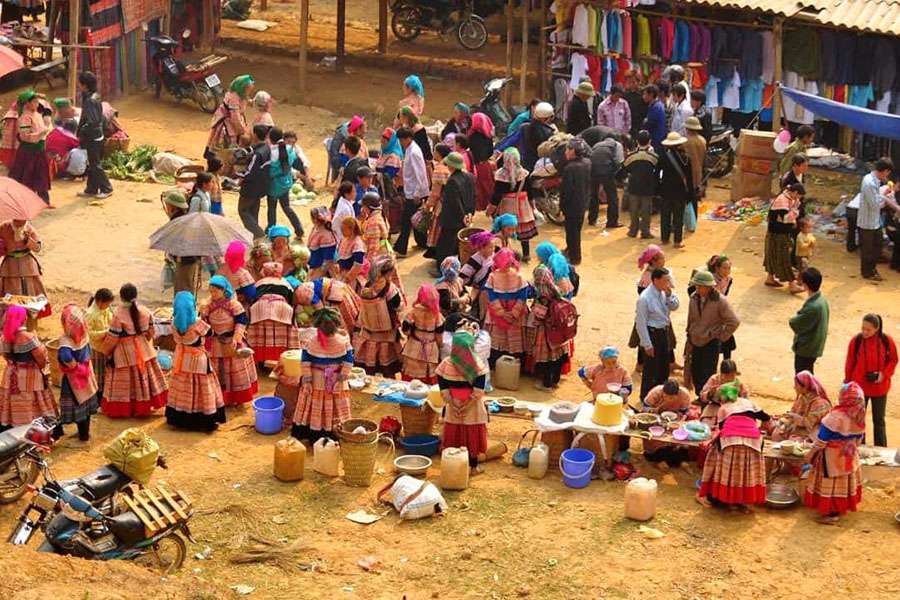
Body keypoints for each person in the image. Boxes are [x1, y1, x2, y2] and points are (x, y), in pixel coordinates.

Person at [697, 384, 769, 511]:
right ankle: (739, 500)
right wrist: (759, 428)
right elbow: (766, 418)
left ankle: (711, 497)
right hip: (754, 442)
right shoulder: (748, 402)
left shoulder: (723, 408)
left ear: (722, 399)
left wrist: (709, 443)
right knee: (743, 471)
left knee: (719, 465)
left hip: (731, 441)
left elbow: (721, 430)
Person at [100, 284, 168, 418]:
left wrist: (106, 351)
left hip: (124, 353)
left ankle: (126, 409)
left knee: (125, 383)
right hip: (144, 350)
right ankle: (144, 406)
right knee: (144, 380)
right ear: (136, 296)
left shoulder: (118, 314)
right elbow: (151, 332)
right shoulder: (145, 311)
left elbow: (113, 338)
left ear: (121, 297)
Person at [803, 382, 866, 524]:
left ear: (844, 398)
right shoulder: (859, 415)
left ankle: (831, 514)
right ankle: (839, 509)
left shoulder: (835, 417)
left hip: (831, 457)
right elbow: (858, 439)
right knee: (843, 485)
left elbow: (822, 440)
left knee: (831, 486)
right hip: (849, 455)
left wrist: (810, 455)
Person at [290, 307, 354, 443]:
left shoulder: (310, 342)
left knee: (314, 407)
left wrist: (307, 381)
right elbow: (348, 362)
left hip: (316, 380)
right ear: (336, 325)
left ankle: (313, 434)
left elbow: (305, 362)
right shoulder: (343, 342)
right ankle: (332, 434)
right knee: (333, 408)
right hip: (335, 380)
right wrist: (341, 378)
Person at [165, 292, 225, 432]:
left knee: (182, 388)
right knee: (202, 388)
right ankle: (204, 419)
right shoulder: (196, 322)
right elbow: (210, 333)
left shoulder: (174, 322)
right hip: (198, 359)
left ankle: (180, 419)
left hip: (182, 358)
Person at [437, 330, 490, 474]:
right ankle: (473, 467)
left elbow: (443, 388)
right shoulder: (478, 365)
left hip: (453, 402)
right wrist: (466, 406)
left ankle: (452, 466)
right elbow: (478, 391)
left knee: (454, 432)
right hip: (472, 406)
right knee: (471, 433)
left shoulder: (446, 364)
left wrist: (453, 404)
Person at [201, 276, 258, 406]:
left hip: (231, 340)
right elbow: (204, 322)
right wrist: (203, 315)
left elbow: (242, 321)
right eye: (211, 291)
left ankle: (234, 397)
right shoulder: (208, 304)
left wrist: (237, 336)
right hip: (215, 341)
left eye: (215, 291)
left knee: (233, 366)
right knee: (217, 368)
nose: (213, 294)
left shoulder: (234, 304)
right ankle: (218, 396)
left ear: (224, 290)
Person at [843, 313, 897, 447]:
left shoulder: (886, 341)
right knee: (858, 420)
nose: (864, 332)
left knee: (879, 420)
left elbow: (893, 359)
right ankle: (859, 448)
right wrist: (848, 384)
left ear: (876, 329)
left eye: (868, 329)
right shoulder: (856, 341)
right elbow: (850, 363)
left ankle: (881, 450)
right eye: (863, 328)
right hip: (859, 388)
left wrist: (883, 375)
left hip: (880, 388)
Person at [0, 305, 56, 431]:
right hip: (29, 376)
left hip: (10, 375)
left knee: (10, 401)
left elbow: (5, 356)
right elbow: (41, 358)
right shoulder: (29, 337)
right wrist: (42, 370)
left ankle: (11, 428)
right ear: (23, 318)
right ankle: (35, 433)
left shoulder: (4, 337)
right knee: (34, 402)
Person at [685, 268, 740, 394]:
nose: (697, 289)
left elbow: (734, 321)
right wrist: (690, 333)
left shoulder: (720, 301)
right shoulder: (694, 297)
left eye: (700, 286)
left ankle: (706, 398)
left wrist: (721, 336)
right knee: (695, 371)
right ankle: (699, 396)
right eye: (696, 286)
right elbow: (691, 318)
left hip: (710, 343)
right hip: (695, 340)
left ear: (709, 287)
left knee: (707, 373)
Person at [354, 257, 405, 376]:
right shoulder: (390, 289)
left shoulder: (366, 286)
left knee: (370, 366)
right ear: (388, 273)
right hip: (386, 334)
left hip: (369, 331)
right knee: (387, 366)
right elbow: (399, 307)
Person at [55, 304, 99, 441]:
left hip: (73, 379)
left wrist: (73, 366)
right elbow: (89, 352)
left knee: (78, 405)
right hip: (87, 375)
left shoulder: (66, 341)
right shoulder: (84, 336)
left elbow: (66, 357)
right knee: (86, 403)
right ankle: (84, 433)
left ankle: (82, 437)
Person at [636, 268, 679, 400]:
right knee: (651, 370)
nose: (668, 283)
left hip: (663, 332)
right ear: (656, 280)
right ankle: (646, 398)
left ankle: (661, 395)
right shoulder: (645, 298)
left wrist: (669, 295)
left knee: (663, 367)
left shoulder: (664, 293)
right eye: (666, 280)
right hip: (652, 333)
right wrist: (647, 344)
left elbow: (675, 307)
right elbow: (641, 323)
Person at [483, 248, 529, 369]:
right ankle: (516, 367)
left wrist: (502, 313)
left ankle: (497, 366)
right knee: (514, 338)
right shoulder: (517, 276)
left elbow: (492, 296)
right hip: (514, 313)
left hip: (498, 313)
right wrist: (513, 312)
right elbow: (522, 296)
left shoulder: (493, 276)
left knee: (498, 338)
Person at [528, 256, 568, 390]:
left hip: (546, 333)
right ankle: (555, 381)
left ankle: (546, 384)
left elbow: (539, 315)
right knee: (558, 357)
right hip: (559, 332)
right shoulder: (556, 291)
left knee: (547, 359)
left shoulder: (543, 296)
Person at [247, 262, 301, 364]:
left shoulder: (259, 283)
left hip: (260, 309)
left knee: (261, 334)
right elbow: (291, 301)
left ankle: (261, 359)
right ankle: (284, 358)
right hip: (281, 308)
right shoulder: (285, 283)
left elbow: (252, 298)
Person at [490, 148, 536, 259]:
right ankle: (526, 254)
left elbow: (497, 195)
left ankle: (503, 252)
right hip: (522, 205)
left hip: (507, 206)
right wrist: (533, 206)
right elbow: (530, 192)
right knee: (523, 229)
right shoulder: (524, 173)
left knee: (504, 229)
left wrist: (491, 207)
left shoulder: (501, 175)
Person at [432, 151, 476, 265]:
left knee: (445, 245)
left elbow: (454, 202)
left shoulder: (452, 181)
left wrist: (462, 216)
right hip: (466, 215)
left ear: (451, 165)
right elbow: (473, 196)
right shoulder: (469, 177)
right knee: (458, 243)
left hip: (452, 218)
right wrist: (469, 214)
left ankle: (442, 267)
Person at [10, 90, 52, 206]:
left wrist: (44, 131)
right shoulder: (25, 118)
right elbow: (24, 136)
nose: (37, 104)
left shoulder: (37, 115)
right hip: (28, 153)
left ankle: (44, 201)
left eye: (37, 101)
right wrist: (41, 134)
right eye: (34, 101)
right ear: (27, 104)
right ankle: (26, 202)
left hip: (39, 151)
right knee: (27, 177)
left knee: (41, 175)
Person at [76, 72, 113, 199]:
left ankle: (106, 188)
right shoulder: (94, 96)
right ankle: (91, 189)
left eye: (79, 83)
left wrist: (82, 131)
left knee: (95, 164)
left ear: (84, 85)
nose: (78, 86)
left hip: (93, 137)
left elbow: (93, 121)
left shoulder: (90, 100)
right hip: (97, 135)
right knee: (92, 164)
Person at [395, 127, 430, 257]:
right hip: (412, 190)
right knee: (416, 218)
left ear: (407, 139)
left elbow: (420, 174)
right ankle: (422, 242)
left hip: (415, 192)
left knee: (406, 221)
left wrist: (417, 193)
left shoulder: (414, 152)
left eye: (401, 140)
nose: (401, 143)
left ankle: (401, 248)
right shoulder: (410, 150)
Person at [206, 74, 254, 170]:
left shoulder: (240, 94)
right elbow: (234, 117)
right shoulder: (233, 98)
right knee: (226, 146)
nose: (250, 91)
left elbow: (245, 100)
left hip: (232, 121)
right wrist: (242, 131)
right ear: (242, 87)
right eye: (248, 88)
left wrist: (251, 102)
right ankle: (222, 166)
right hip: (227, 124)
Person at [857, 157, 894, 281]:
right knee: (868, 250)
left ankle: (871, 269)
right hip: (867, 221)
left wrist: (883, 197)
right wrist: (886, 199)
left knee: (877, 247)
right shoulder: (870, 183)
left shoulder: (875, 180)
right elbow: (875, 205)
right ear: (885, 171)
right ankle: (867, 272)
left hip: (874, 221)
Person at [642, 379, 693, 466]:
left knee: (679, 438)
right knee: (654, 446)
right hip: (656, 419)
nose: (669, 399)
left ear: (677, 394)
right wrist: (652, 411)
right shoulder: (656, 392)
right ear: (663, 392)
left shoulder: (684, 395)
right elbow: (645, 408)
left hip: (676, 419)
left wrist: (679, 419)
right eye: (666, 396)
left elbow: (685, 412)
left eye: (672, 398)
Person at [401, 284, 445, 383]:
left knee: (410, 377)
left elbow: (405, 329)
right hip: (430, 348)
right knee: (429, 376)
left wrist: (410, 334)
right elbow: (439, 335)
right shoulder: (437, 315)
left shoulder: (414, 311)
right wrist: (440, 347)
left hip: (413, 347)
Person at [267, 127, 305, 240]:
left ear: (270, 138)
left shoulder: (271, 152)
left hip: (274, 185)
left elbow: (270, 170)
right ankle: (299, 229)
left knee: (272, 209)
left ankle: (271, 230)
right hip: (286, 183)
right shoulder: (290, 150)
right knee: (287, 207)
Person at [789, 267, 829, 374]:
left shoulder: (813, 307)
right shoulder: (822, 300)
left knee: (802, 376)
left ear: (805, 285)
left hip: (807, 347)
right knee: (808, 373)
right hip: (814, 345)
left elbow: (795, 323)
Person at [772, 370, 831, 442]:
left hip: (814, 431)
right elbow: (793, 411)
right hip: (799, 428)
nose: (794, 387)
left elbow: (810, 424)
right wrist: (786, 418)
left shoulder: (819, 403)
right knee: (776, 433)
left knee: (794, 442)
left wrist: (796, 417)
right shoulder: (802, 397)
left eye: (796, 385)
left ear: (805, 386)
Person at [0, 219, 49, 305]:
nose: (19, 222)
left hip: (28, 265)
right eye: (16, 220)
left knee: (31, 289)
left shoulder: (29, 229)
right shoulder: (3, 227)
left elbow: (37, 248)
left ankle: (31, 312)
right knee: (10, 290)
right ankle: (11, 312)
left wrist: (28, 240)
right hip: (9, 266)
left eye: (22, 220)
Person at [764, 183, 804, 290]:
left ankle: (770, 278)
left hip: (775, 232)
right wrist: (795, 210)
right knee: (784, 257)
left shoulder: (789, 199)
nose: (799, 198)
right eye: (799, 196)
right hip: (779, 233)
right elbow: (786, 219)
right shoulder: (782, 200)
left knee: (772, 255)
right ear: (795, 192)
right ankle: (792, 284)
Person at [658, 131, 694, 248]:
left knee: (665, 215)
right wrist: (690, 193)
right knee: (678, 216)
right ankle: (677, 241)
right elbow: (689, 178)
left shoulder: (663, 157)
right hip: (680, 191)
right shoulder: (686, 158)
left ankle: (664, 239)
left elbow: (657, 174)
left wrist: (657, 189)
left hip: (665, 190)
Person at [237, 124, 272, 240]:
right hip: (261, 187)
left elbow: (250, 172)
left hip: (251, 188)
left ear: (255, 135)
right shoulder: (267, 148)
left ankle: (259, 234)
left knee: (243, 211)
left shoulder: (258, 154)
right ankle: (255, 240)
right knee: (253, 212)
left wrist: (239, 177)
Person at [560, 139, 592, 265]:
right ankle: (570, 250)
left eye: (567, 149)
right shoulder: (587, 163)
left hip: (572, 205)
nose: (566, 152)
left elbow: (566, 190)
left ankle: (575, 257)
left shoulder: (570, 168)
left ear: (573, 151)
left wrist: (562, 206)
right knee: (576, 230)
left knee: (572, 232)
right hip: (583, 202)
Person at [624, 130, 658, 239]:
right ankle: (645, 232)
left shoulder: (631, 156)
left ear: (637, 141)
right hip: (647, 188)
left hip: (633, 187)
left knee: (633, 210)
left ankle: (633, 231)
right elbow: (657, 171)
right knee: (646, 211)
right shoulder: (653, 157)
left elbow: (624, 169)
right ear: (650, 141)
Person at [588, 134, 624, 228]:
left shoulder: (597, 145)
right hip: (606, 171)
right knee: (612, 197)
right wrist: (614, 174)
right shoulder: (617, 145)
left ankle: (592, 219)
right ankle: (612, 222)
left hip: (592, 170)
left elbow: (590, 156)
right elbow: (619, 161)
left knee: (593, 195)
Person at [697, 360, 748, 425]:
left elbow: (746, 402)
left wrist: (738, 397)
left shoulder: (739, 384)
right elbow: (702, 398)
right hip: (714, 408)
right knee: (706, 424)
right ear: (721, 374)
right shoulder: (714, 379)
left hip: (732, 410)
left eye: (732, 375)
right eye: (727, 376)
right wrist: (710, 393)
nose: (729, 379)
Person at [460, 231, 495, 320]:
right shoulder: (475, 260)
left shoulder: (492, 256)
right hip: (478, 286)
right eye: (490, 247)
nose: (493, 249)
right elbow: (464, 275)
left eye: (493, 247)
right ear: (481, 248)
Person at [425, 143, 452, 258]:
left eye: (434, 151)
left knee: (437, 229)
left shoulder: (439, 169)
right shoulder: (449, 166)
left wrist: (428, 205)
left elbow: (435, 192)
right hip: (451, 203)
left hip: (441, 204)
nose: (433, 153)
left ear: (439, 154)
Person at [85, 288, 114, 394]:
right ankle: (98, 395)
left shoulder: (105, 309)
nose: (108, 306)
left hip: (104, 346)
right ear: (100, 302)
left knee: (104, 372)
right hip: (96, 348)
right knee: (98, 374)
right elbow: (89, 334)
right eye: (107, 304)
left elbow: (111, 319)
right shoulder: (90, 314)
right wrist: (106, 332)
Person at [468, 113, 495, 211]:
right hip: (485, 165)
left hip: (476, 166)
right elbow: (490, 151)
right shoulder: (488, 135)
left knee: (478, 190)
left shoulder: (472, 135)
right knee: (488, 188)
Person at [328, 116, 367, 180]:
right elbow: (343, 159)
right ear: (358, 130)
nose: (365, 131)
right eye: (364, 129)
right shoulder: (349, 143)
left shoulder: (359, 142)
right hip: (353, 172)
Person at [220, 240, 257, 307]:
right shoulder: (243, 273)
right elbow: (252, 294)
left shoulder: (220, 269)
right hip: (237, 307)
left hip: (218, 306)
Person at [520, 102, 556, 172]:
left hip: (526, 164)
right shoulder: (548, 133)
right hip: (540, 166)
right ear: (546, 118)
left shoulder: (525, 127)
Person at [307, 207, 337, 279]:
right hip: (313, 267)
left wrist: (319, 275)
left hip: (320, 272)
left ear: (315, 219)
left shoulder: (326, 236)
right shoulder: (316, 228)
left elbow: (328, 260)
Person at [336, 217, 366, 288]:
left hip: (351, 278)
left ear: (351, 229)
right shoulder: (344, 240)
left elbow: (358, 265)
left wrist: (348, 277)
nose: (342, 231)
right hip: (342, 274)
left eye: (343, 229)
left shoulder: (357, 243)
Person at [683, 116, 706, 208]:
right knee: (694, 197)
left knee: (686, 199)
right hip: (698, 171)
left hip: (688, 173)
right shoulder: (702, 140)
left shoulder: (685, 141)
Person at [360, 193, 390, 262]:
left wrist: (368, 262)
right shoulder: (379, 215)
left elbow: (374, 247)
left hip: (376, 258)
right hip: (381, 253)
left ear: (368, 208)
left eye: (363, 206)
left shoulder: (373, 222)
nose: (362, 208)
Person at [641, 85, 667, 151]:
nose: (643, 97)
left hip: (657, 141)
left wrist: (644, 122)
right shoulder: (655, 105)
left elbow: (648, 124)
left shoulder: (656, 108)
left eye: (645, 94)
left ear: (651, 95)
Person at [623, 71, 646, 139]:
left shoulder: (643, 93)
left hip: (640, 123)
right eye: (629, 82)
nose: (631, 84)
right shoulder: (625, 94)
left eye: (633, 82)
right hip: (629, 124)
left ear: (639, 82)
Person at [794, 217, 816, 281]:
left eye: (811, 227)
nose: (810, 229)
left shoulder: (809, 234)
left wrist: (813, 243)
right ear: (801, 228)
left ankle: (800, 279)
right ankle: (800, 281)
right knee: (802, 269)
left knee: (804, 268)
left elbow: (813, 241)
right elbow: (802, 246)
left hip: (807, 254)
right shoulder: (800, 236)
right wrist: (809, 244)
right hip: (800, 255)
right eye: (808, 227)